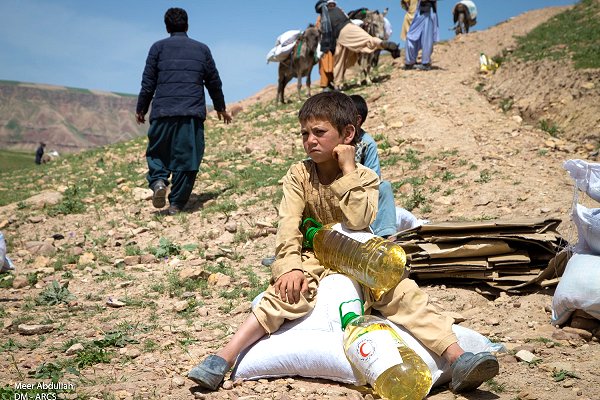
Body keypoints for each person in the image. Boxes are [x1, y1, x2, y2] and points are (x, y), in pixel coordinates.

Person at [187, 91, 499, 393]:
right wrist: (289, 267)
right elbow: (289, 224)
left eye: (320, 132)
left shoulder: (363, 176)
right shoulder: (299, 175)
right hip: (313, 255)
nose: (310, 140)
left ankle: (459, 359)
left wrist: (348, 170)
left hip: (359, 251)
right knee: (283, 296)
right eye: (305, 133)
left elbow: (359, 221)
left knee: (402, 294)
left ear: (347, 133)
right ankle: (222, 359)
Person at [136, 8, 232, 215]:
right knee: (187, 159)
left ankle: (159, 180)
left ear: (167, 27)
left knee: (157, 153)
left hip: (163, 112)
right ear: (187, 25)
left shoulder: (157, 48)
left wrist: (141, 109)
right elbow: (213, 82)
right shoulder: (202, 50)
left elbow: (147, 84)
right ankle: (176, 204)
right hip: (191, 114)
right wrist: (220, 108)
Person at [315, 0, 401, 91]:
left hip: (341, 34)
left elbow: (325, 31)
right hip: (352, 27)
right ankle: (381, 43)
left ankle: (338, 85)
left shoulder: (324, 16)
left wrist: (326, 46)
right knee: (368, 40)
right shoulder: (339, 10)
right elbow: (348, 18)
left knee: (339, 61)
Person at [350, 94, 397, 237]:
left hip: (359, 190)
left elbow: (373, 178)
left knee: (383, 187)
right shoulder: (332, 137)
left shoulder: (366, 143)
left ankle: (385, 236)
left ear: (358, 120)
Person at [404, 0, 439, 71]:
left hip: (428, 14)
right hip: (419, 13)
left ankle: (425, 63)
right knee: (411, 36)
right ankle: (410, 62)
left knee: (426, 39)